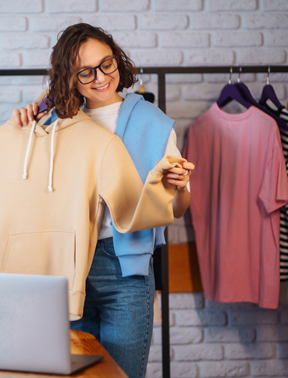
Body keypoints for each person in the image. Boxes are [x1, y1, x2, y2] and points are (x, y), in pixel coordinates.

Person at [11, 23, 194, 378]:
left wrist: (181, 186)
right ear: (69, 77)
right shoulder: (55, 120)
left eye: (106, 64)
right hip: (66, 266)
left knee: (121, 374)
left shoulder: (152, 123)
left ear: (117, 60)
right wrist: (23, 122)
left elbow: (175, 209)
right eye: (86, 71)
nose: (100, 77)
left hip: (126, 271)